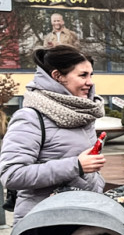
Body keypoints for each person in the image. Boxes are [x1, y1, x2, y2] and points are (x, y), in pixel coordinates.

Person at [0, 46, 105, 222]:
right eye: (83, 75)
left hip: (83, 214)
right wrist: (76, 165)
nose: (90, 82)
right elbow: (11, 175)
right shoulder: (30, 117)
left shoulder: (81, 112)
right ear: (57, 76)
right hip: (44, 223)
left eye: (91, 75)